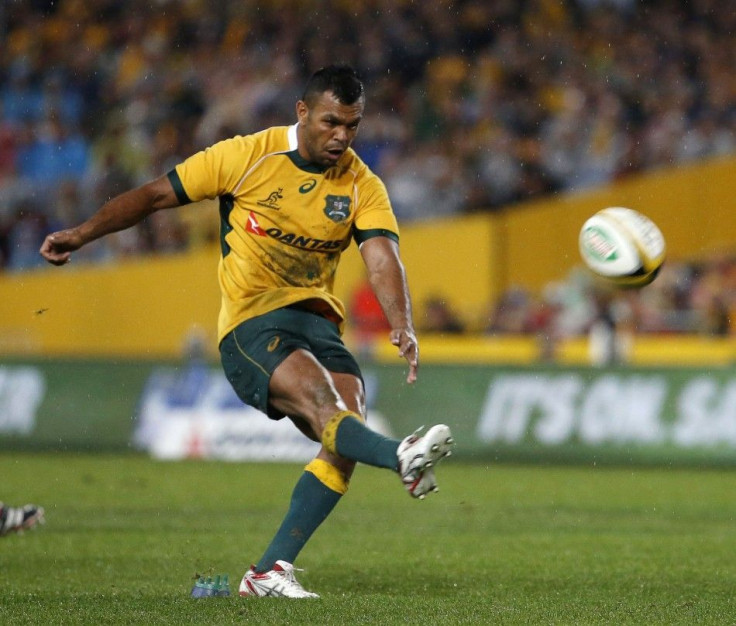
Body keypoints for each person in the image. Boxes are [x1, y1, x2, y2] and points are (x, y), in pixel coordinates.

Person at [40, 65, 454, 598]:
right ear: (302, 113)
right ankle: (403, 455)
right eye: (331, 122)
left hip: (319, 326)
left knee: (343, 437)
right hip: (253, 324)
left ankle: (266, 574)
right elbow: (151, 197)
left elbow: (382, 257)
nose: (342, 136)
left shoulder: (361, 184)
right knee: (331, 411)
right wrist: (80, 234)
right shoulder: (244, 156)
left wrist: (403, 325)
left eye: (353, 126)